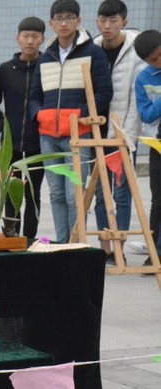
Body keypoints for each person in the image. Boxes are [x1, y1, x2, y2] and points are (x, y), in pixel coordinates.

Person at [29, 0, 113, 243]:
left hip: (78, 135)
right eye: (58, 18)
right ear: (51, 23)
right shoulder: (46, 56)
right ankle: (62, 241)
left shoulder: (93, 53)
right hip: (48, 136)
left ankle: (76, 242)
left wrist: (79, 114)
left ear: (79, 20)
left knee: (73, 193)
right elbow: (35, 95)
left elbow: (104, 93)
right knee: (55, 193)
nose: (63, 23)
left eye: (69, 17)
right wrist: (39, 114)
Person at [92, 0, 146, 264]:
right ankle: (104, 247)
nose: (107, 26)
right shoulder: (93, 48)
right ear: (96, 22)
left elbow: (137, 99)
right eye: (103, 20)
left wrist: (128, 136)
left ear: (123, 21)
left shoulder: (136, 51)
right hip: (95, 132)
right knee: (101, 192)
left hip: (123, 135)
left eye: (113, 20)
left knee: (122, 193)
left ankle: (120, 245)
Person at [0, 16, 46, 239]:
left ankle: (29, 240)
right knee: (11, 194)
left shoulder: (46, 67)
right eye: (26, 36)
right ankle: (11, 238)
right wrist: (3, 128)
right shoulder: (5, 69)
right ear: (17, 38)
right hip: (10, 148)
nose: (30, 41)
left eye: (35, 36)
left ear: (42, 39)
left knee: (33, 194)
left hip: (38, 145)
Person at [134, 29, 161, 268]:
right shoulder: (144, 78)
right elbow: (146, 115)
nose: (159, 62)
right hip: (158, 146)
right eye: (153, 60)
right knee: (158, 200)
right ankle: (155, 252)